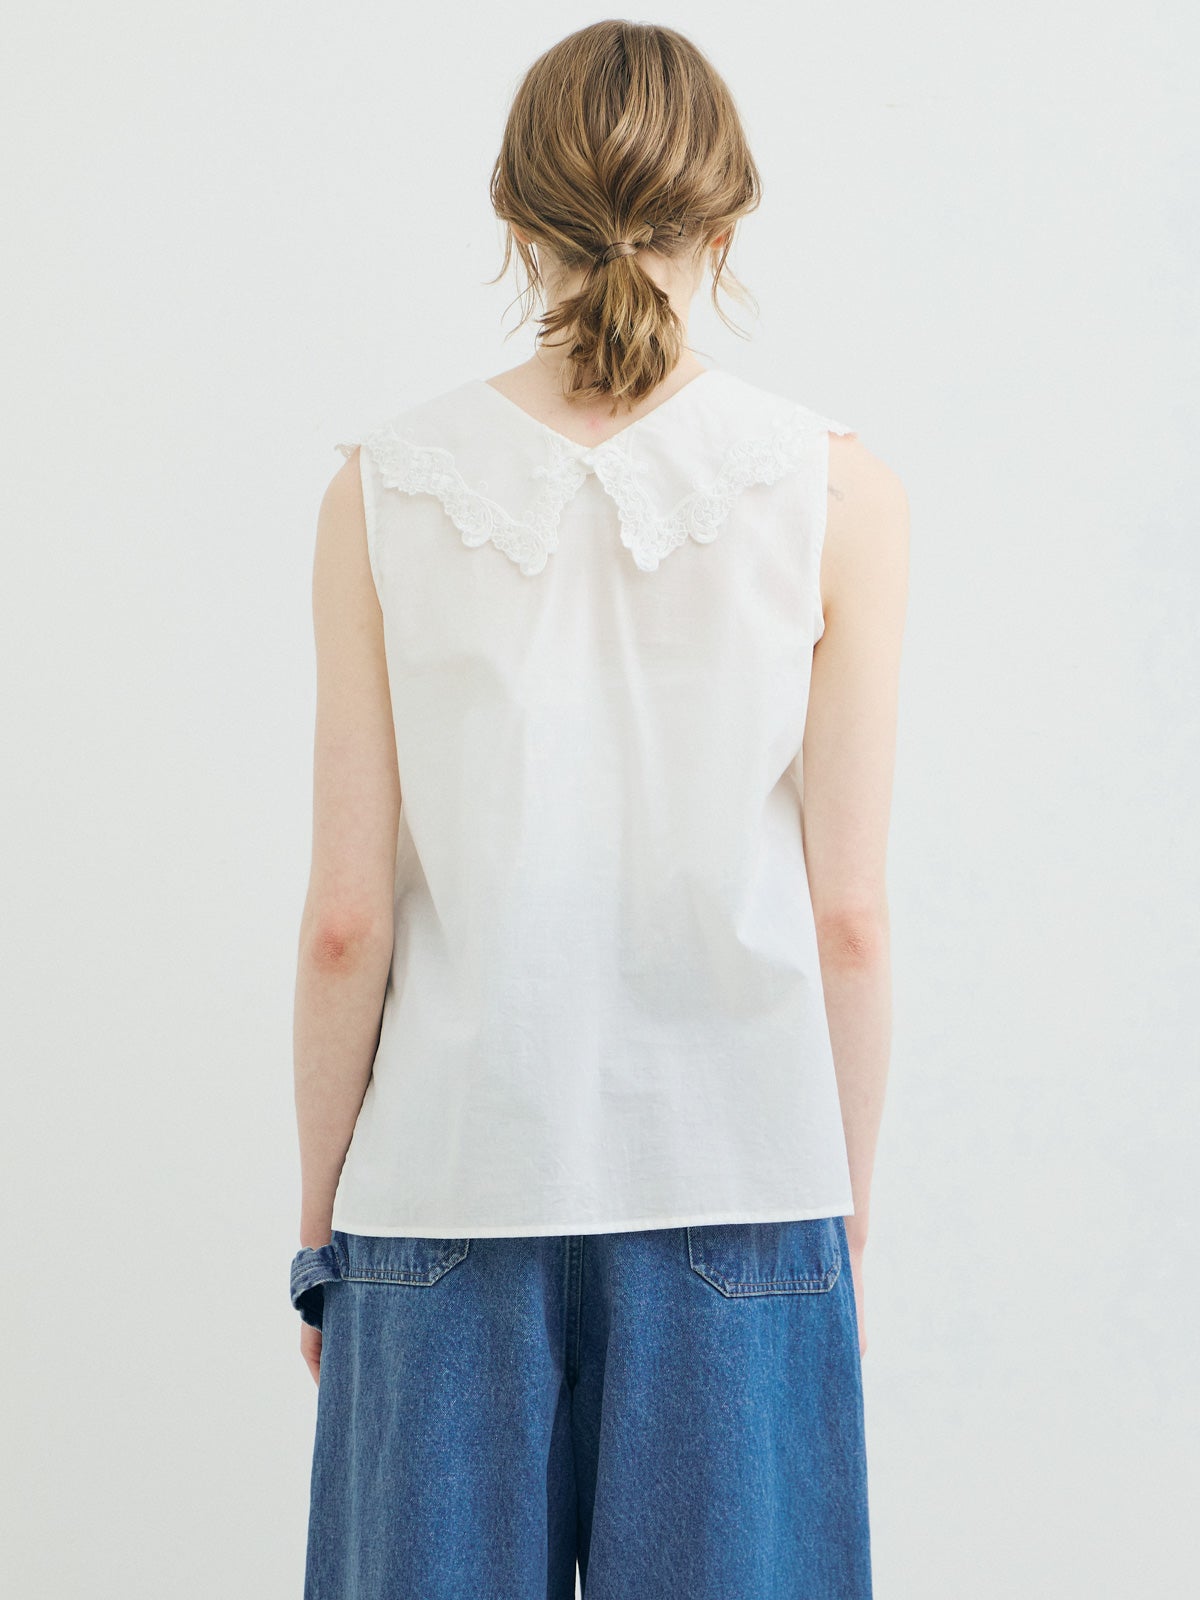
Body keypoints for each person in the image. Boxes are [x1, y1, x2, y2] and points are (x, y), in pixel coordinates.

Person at [289, 19, 908, 1600]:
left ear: (516, 218)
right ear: (729, 218)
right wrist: (840, 1209)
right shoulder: (836, 490)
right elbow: (848, 915)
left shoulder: (384, 489)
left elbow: (347, 921)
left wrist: (319, 1220)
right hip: (743, 1173)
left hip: (444, 1185)